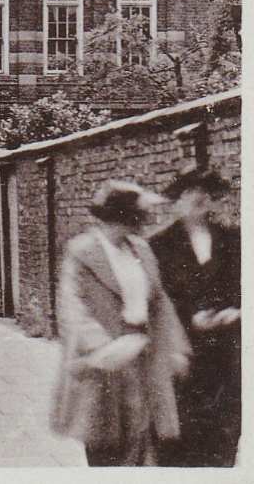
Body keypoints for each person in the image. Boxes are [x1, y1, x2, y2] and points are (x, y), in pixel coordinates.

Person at [50, 180, 190, 467]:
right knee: (106, 445)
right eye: (141, 214)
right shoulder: (82, 251)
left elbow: (160, 302)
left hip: (144, 355)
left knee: (143, 439)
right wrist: (104, 348)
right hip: (105, 362)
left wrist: (176, 346)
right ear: (126, 216)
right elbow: (71, 306)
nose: (146, 220)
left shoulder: (140, 248)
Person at [149, 169, 240, 467]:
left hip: (224, 356)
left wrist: (235, 312)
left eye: (206, 191)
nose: (199, 196)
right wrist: (190, 322)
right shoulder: (158, 246)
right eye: (190, 191)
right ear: (176, 201)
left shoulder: (233, 240)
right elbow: (154, 303)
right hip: (180, 357)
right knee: (177, 443)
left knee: (221, 439)